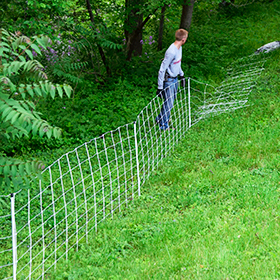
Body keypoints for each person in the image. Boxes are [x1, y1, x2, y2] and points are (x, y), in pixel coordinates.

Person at [156, 29, 188, 131]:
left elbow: (177, 63)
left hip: (175, 79)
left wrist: (181, 75)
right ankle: (164, 126)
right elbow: (162, 69)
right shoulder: (171, 51)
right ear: (183, 39)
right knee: (169, 104)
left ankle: (160, 118)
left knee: (169, 102)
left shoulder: (179, 48)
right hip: (168, 80)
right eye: (186, 38)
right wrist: (160, 87)